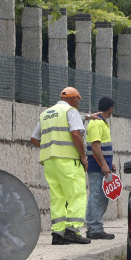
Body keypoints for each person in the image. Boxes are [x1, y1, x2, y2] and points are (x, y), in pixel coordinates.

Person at [30, 86, 91, 244]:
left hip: (50, 162)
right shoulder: (70, 111)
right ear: (72, 98)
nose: (78, 102)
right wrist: (83, 157)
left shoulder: (46, 114)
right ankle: (72, 230)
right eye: (78, 98)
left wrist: (50, 148)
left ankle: (58, 234)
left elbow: (34, 138)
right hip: (68, 160)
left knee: (58, 197)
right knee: (77, 194)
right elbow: (76, 133)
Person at [85, 96, 116, 240]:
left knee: (97, 197)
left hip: (100, 166)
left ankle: (93, 228)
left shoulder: (100, 123)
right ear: (110, 109)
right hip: (97, 167)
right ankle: (95, 229)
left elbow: (103, 148)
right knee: (98, 197)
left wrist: (110, 164)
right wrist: (104, 164)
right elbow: (95, 146)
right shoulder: (97, 124)